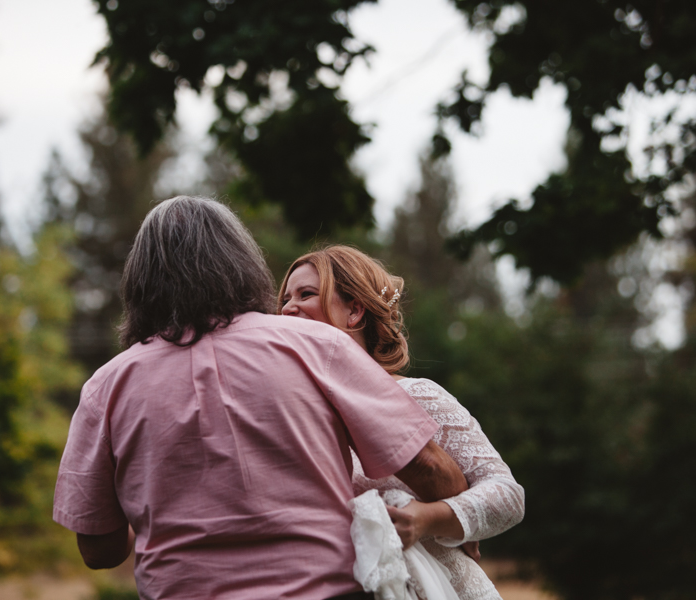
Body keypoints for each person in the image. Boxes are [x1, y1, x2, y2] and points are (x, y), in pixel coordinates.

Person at [53, 197, 470, 600]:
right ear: (240, 264)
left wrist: (155, 502)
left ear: (140, 284)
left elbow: (98, 550)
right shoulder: (315, 345)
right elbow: (431, 469)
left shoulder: (106, 387)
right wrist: (455, 522)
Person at [279, 246, 525, 600]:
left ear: (354, 310)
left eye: (306, 294)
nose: (287, 308)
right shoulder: (288, 411)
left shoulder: (416, 396)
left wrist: (432, 518)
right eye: (285, 299)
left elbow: (507, 495)